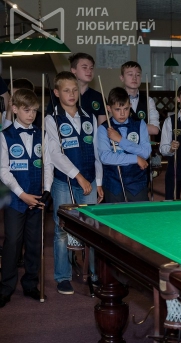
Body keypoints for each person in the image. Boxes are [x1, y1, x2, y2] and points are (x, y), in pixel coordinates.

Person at [44, 72, 102, 295]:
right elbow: (55, 155)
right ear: (57, 93)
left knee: (92, 229)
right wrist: (78, 176)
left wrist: (98, 182)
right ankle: (63, 276)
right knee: (62, 229)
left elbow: (96, 152)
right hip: (64, 182)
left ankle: (95, 275)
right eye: (66, 90)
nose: (71, 94)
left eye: (75, 90)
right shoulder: (52, 119)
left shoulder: (89, 117)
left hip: (90, 179)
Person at [0, 89, 50, 307]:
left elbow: (48, 164)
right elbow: (3, 170)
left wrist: (47, 190)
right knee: (12, 242)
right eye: (26, 110)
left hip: (37, 198)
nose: (31, 115)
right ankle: (6, 287)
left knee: (34, 243)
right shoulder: (5, 135)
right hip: (14, 199)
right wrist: (22, 194)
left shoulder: (41, 134)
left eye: (34, 111)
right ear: (14, 109)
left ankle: (30, 283)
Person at [96, 87, 151, 203]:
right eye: (117, 109)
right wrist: (135, 158)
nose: (122, 113)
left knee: (140, 214)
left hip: (137, 184)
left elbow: (146, 152)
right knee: (114, 214)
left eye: (126, 109)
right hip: (113, 186)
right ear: (109, 108)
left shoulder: (140, 124)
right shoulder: (103, 129)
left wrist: (120, 140)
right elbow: (105, 157)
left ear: (130, 106)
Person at [46, 53, 107, 126]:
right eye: (84, 67)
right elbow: (49, 120)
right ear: (73, 70)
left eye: (91, 68)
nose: (89, 71)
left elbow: (102, 127)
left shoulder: (98, 97)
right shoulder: (59, 95)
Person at [120, 61, 160, 137]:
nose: (134, 78)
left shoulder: (149, 101)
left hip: (144, 144)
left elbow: (155, 130)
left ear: (141, 78)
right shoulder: (116, 100)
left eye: (138, 75)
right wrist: (145, 127)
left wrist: (127, 125)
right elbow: (115, 127)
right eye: (130, 74)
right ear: (122, 78)